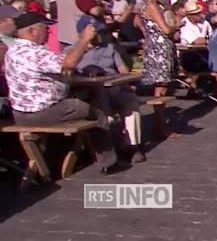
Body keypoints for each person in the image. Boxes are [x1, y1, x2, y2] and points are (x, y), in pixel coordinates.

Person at [5, 12, 128, 174]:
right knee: (97, 112)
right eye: (45, 28)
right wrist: (84, 40)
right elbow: (68, 64)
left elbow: (56, 69)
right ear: (32, 31)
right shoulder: (34, 52)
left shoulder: (13, 52)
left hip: (21, 113)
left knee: (86, 96)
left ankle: (80, 154)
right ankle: (109, 162)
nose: (49, 32)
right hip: (43, 112)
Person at [75, 16, 146, 163]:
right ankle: (107, 148)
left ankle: (131, 145)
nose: (100, 35)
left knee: (130, 99)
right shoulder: (74, 52)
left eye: (102, 31)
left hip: (113, 87)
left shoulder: (110, 47)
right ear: (82, 33)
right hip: (90, 91)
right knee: (101, 99)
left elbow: (123, 70)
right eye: (96, 32)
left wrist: (126, 78)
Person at [140, 0, 180, 98]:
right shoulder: (152, 5)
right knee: (161, 85)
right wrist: (177, 26)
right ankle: (159, 116)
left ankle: (160, 115)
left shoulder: (158, 4)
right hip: (159, 48)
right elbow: (166, 29)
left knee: (163, 85)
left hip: (161, 45)